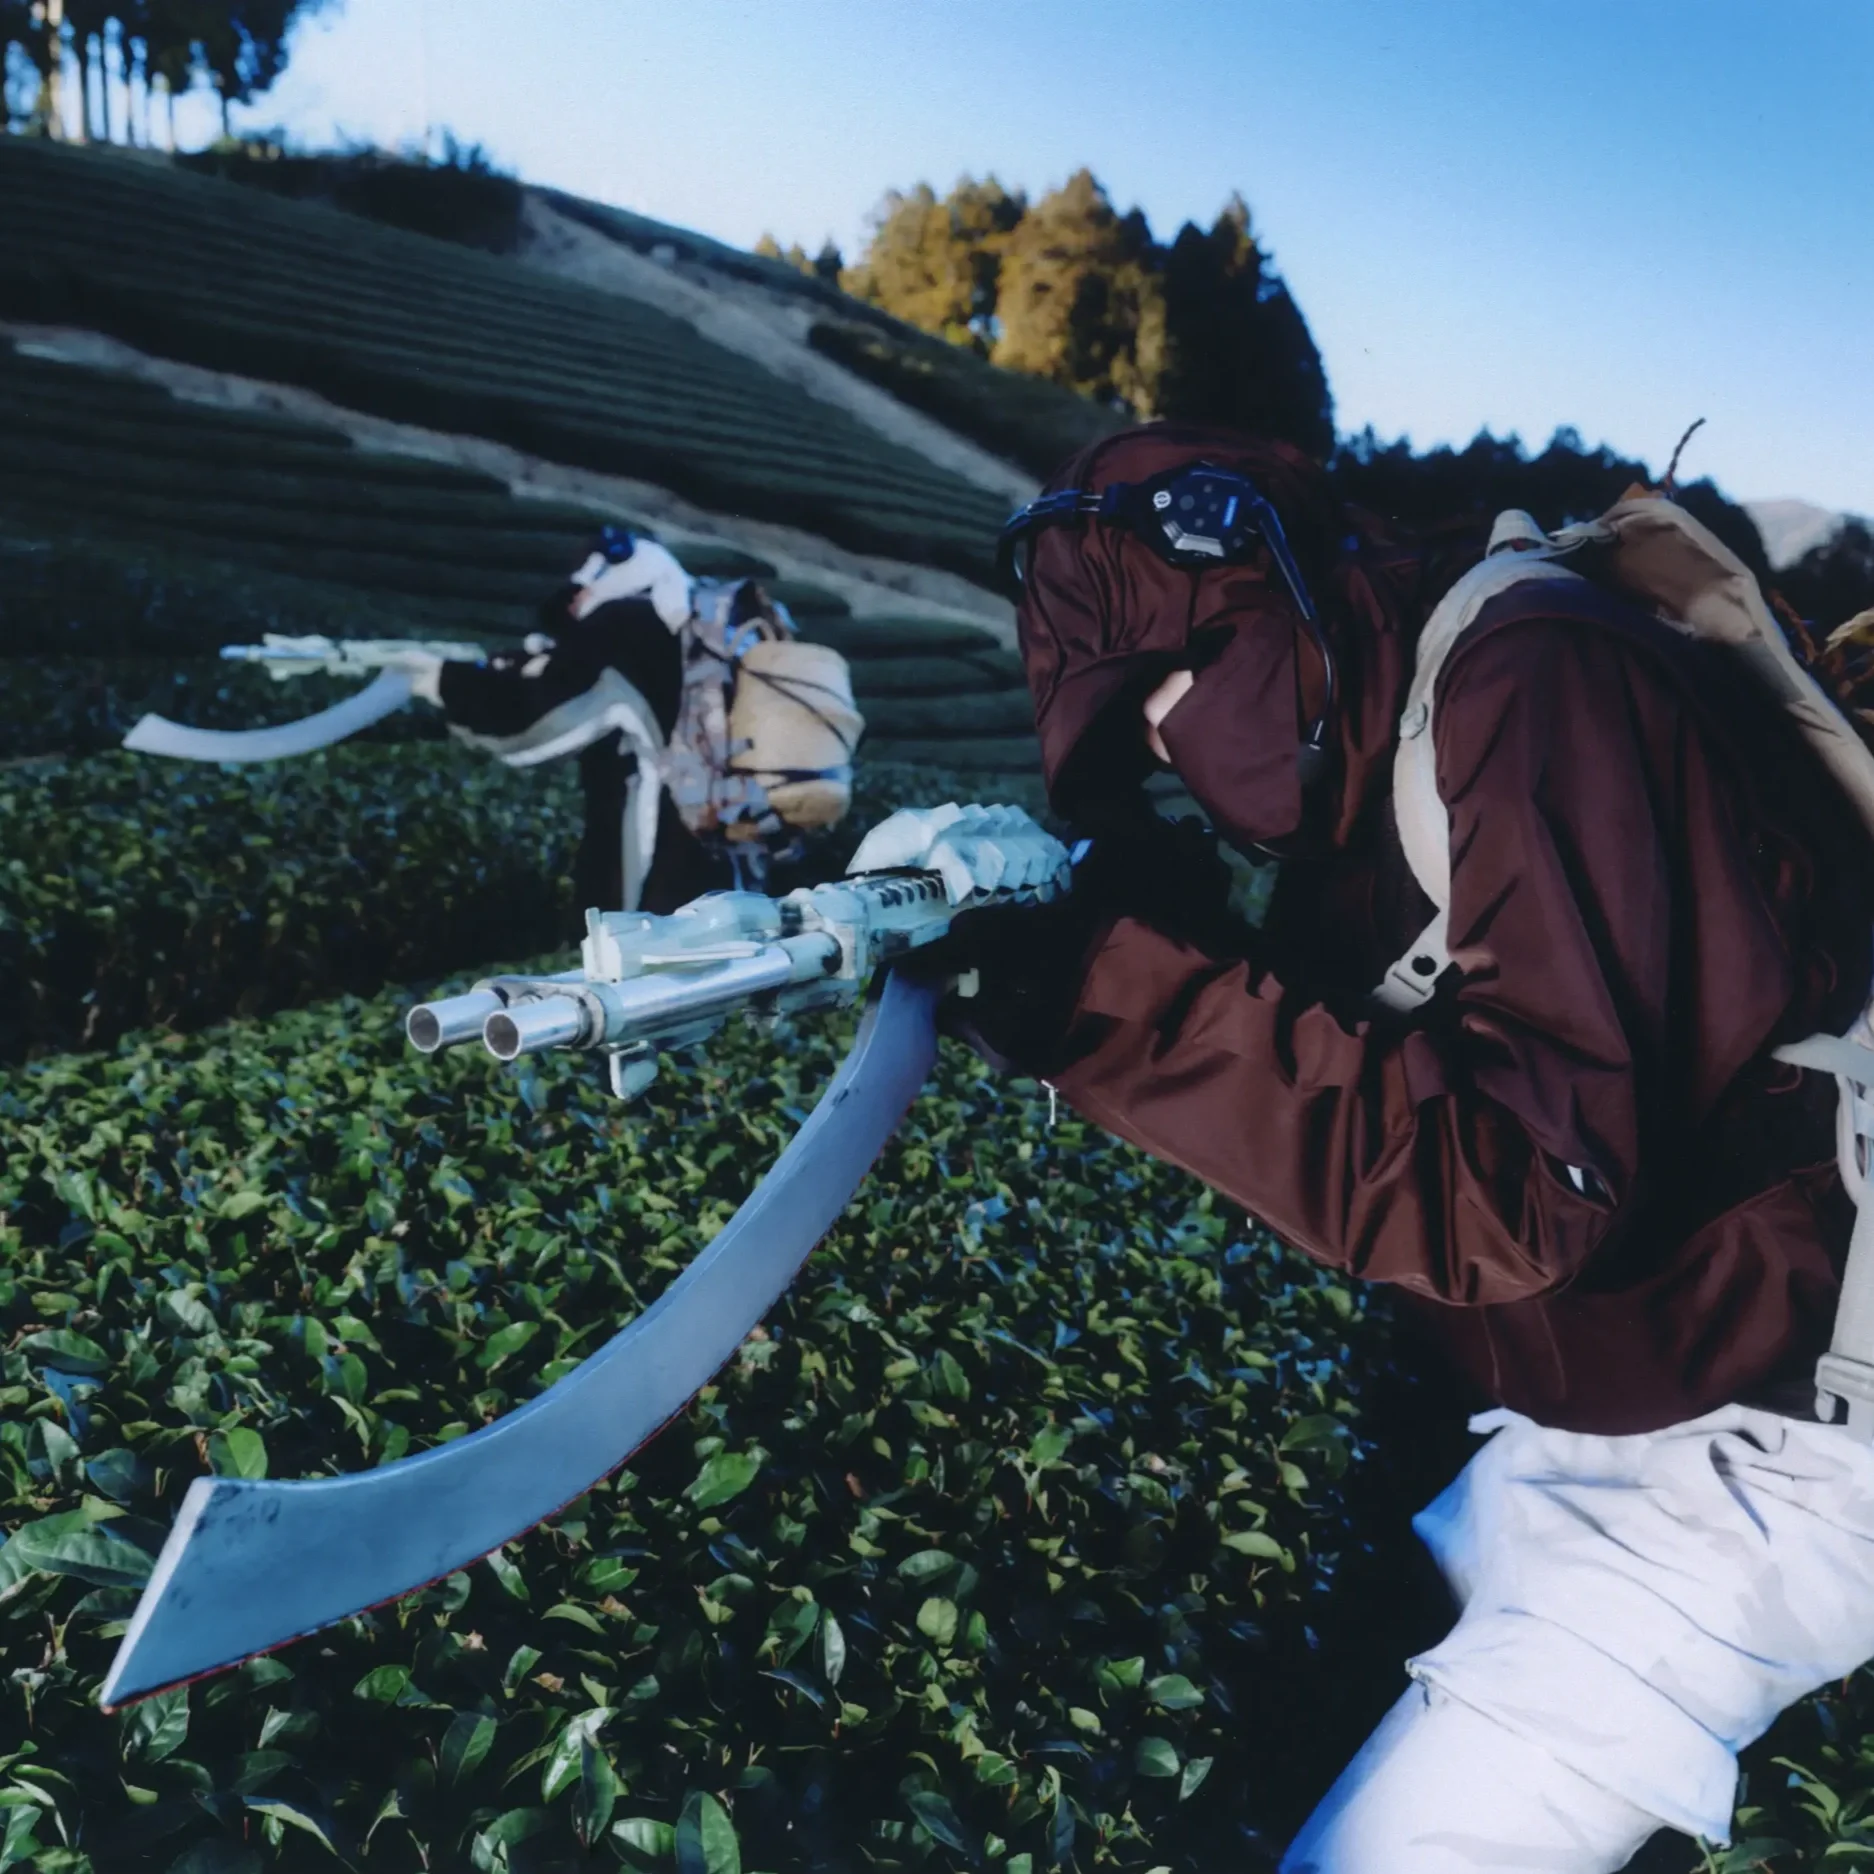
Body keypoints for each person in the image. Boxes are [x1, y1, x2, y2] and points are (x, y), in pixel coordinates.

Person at [860, 423, 1874, 1870]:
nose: (1161, 736)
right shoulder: (1385, 724)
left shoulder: (1536, 679)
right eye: (1127, 722)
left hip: (1766, 1456)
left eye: (1171, 681)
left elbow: (1527, 1187)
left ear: (1269, 590)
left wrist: (1108, 997)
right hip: (1597, 1410)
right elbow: (1361, 1046)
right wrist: (1108, 938)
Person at [403, 528, 860, 921]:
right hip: (735, 846)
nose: (576, 607)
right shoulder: (705, 621)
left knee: (639, 988)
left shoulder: (623, 623)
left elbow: (537, 722)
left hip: (658, 860)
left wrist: (445, 683)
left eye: (577, 595)